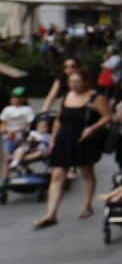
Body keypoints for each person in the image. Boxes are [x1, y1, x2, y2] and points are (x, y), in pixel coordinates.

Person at [34, 70, 112, 228]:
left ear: (85, 81)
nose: (74, 85)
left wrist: (92, 128)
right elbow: (59, 119)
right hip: (64, 138)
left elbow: (107, 116)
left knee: (86, 171)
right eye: (71, 82)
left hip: (84, 139)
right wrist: (53, 139)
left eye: (77, 81)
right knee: (57, 174)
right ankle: (51, 213)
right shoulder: (67, 96)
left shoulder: (95, 98)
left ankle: (87, 204)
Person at [1, 86, 34, 179]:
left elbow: (29, 125)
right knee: (6, 158)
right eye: (13, 97)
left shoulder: (27, 110)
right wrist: (4, 129)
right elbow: (3, 123)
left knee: (21, 156)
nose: (14, 99)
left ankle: (26, 169)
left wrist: (17, 131)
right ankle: (4, 180)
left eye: (17, 97)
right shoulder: (7, 109)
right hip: (9, 137)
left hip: (22, 136)